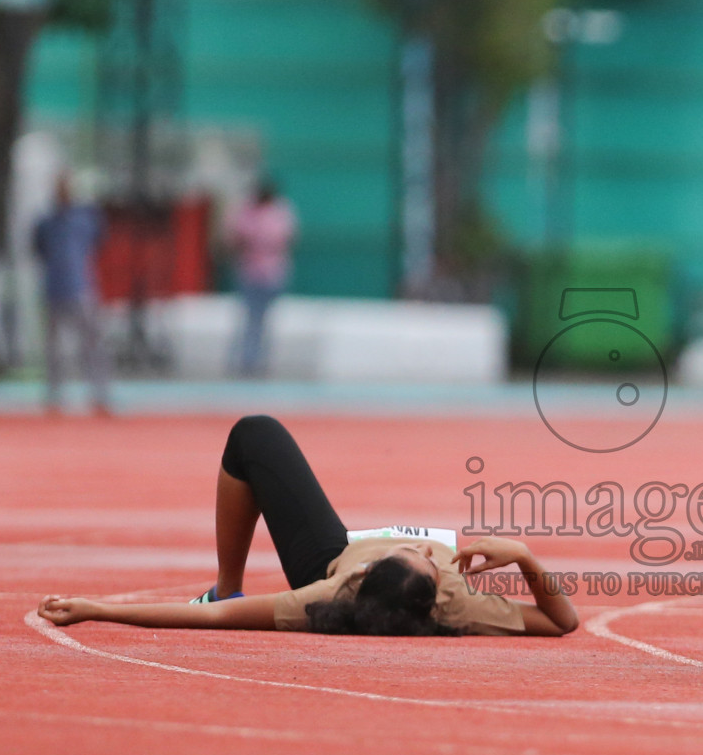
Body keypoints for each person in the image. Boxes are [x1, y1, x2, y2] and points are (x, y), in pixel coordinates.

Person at [38, 414, 580, 637]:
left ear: (365, 569)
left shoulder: (329, 590)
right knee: (257, 432)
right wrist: (525, 558)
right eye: (430, 559)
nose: (433, 553)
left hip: (322, 553)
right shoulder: (461, 604)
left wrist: (98, 609)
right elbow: (563, 622)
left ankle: (225, 574)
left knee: (254, 435)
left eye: (418, 553)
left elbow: (217, 618)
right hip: (360, 571)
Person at [33, 173, 110, 414]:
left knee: (91, 344)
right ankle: (54, 395)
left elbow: (98, 243)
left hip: (81, 288)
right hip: (55, 289)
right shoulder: (46, 221)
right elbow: (39, 248)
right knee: (54, 348)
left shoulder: (84, 219)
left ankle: (100, 394)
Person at [228, 179, 297, 377]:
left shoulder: (280, 211)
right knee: (250, 317)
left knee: (264, 319)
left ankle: (259, 360)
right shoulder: (245, 210)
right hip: (250, 272)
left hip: (272, 272)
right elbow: (235, 239)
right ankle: (246, 360)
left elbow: (286, 239)